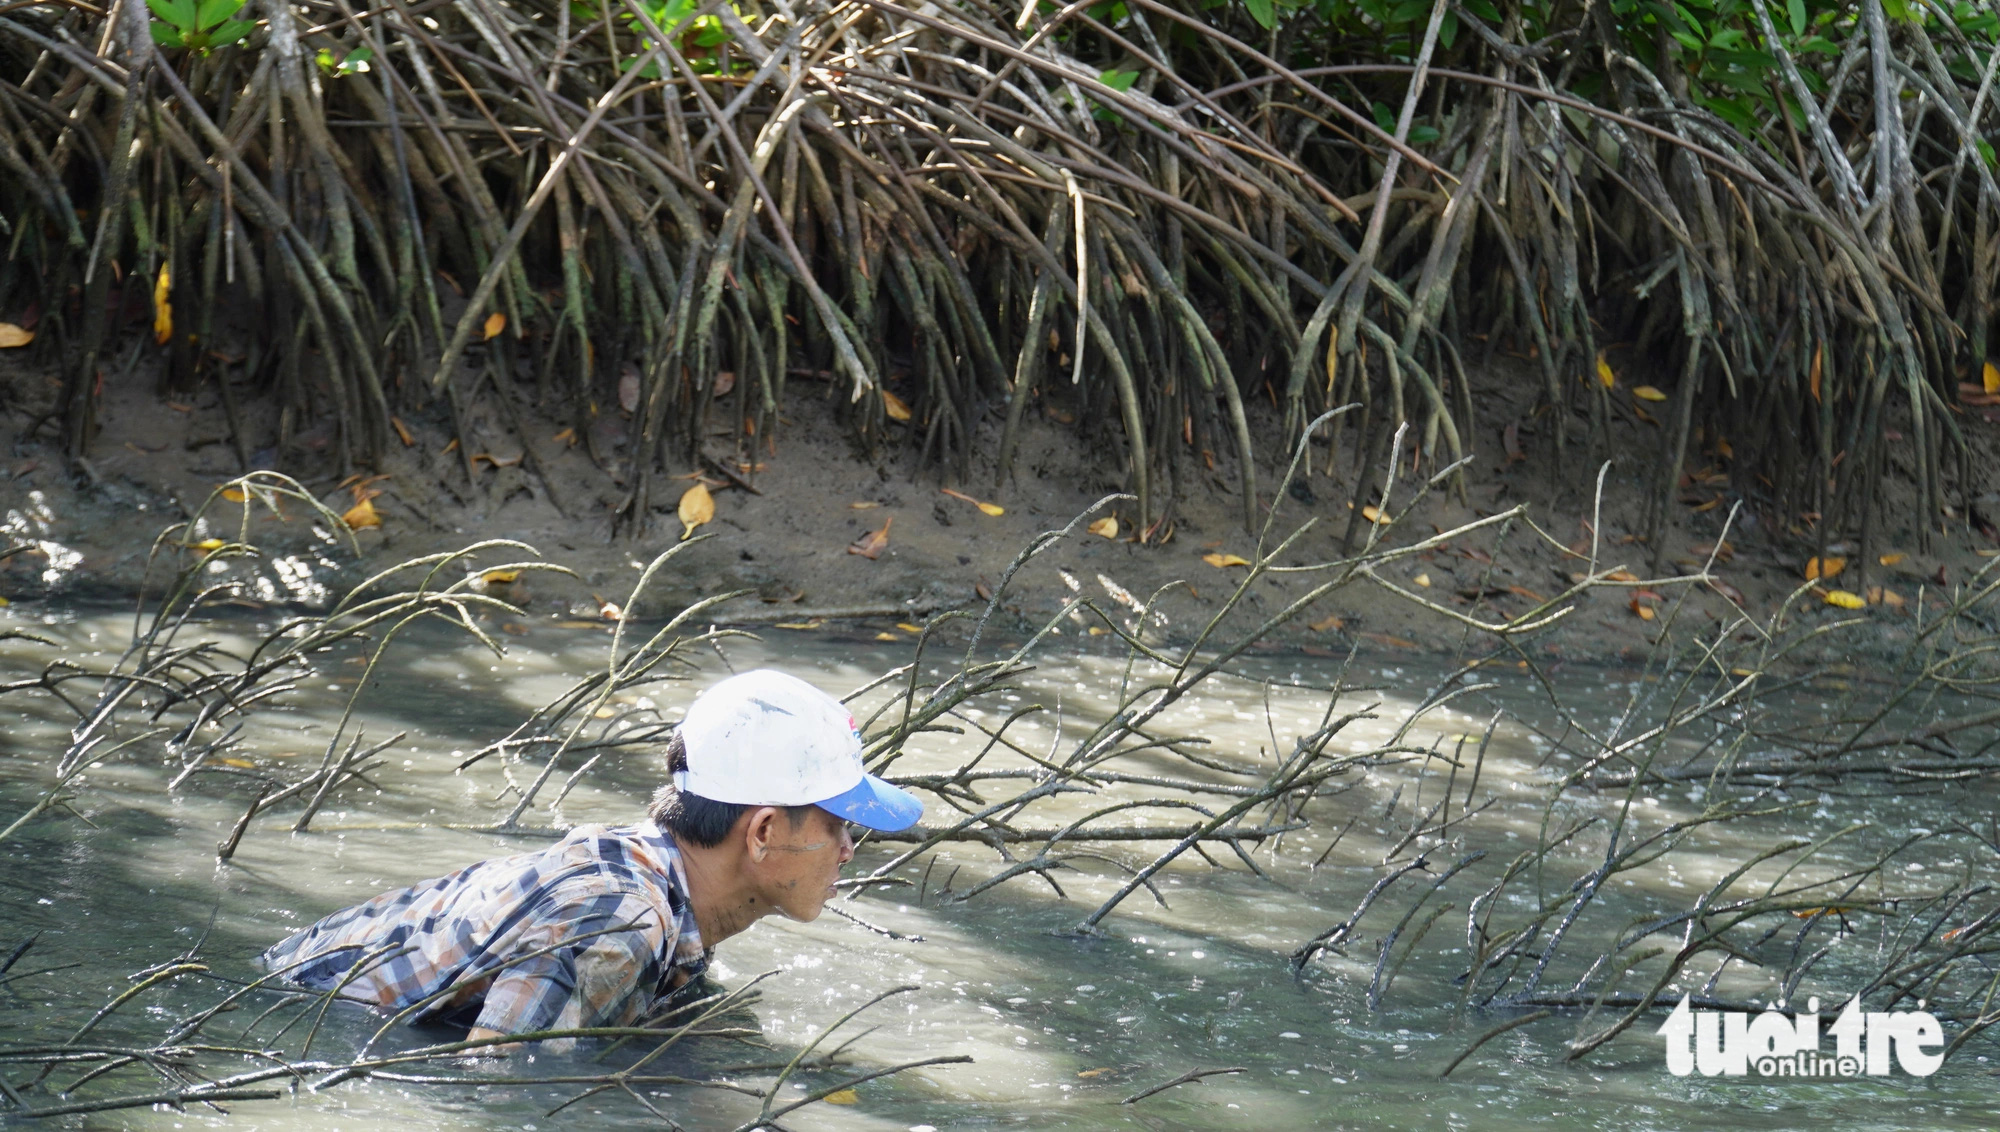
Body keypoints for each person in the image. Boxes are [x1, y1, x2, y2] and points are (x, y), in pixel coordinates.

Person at [259, 669, 923, 1047]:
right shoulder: (617, 922)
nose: (848, 849)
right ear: (762, 833)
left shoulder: (671, 894)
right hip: (288, 1024)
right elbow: (504, 1090)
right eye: (838, 823)